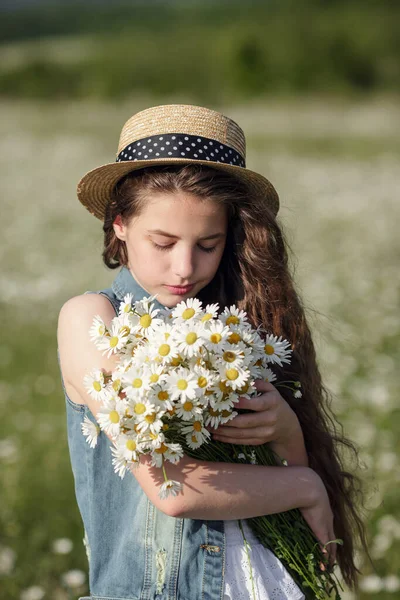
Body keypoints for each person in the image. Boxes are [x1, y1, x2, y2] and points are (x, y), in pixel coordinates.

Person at [57, 104, 367, 600]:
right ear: (119, 225)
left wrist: (287, 432)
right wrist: (308, 484)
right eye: (163, 242)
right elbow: (171, 489)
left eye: (209, 243)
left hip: (268, 581)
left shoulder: (235, 324)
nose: (184, 267)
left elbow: (279, 481)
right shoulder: (94, 319)